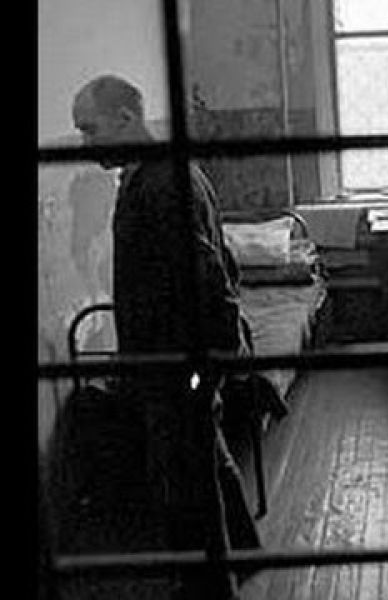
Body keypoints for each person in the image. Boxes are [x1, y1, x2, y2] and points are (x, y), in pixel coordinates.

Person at [72, 74, 261, 599]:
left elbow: (208, 275)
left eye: (90, 130)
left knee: (185, 481)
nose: (84, 143)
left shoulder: (161, 184)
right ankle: (242, 555)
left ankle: (208, 589)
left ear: (126, 119)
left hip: (178, 359)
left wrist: (213, 358)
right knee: (204, 459)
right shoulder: (162, 174)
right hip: (173, 355)